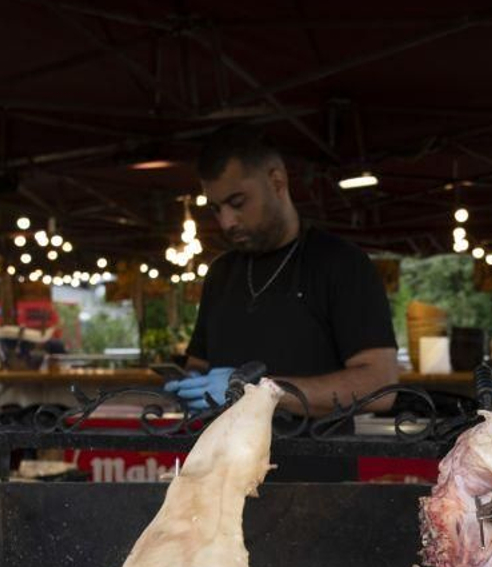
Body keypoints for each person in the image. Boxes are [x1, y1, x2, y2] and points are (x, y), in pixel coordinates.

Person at [165, 125, 399, 416]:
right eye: (215, 208)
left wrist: (259, 392)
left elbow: (380, 386)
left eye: (237, 203)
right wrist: (189, 384)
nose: (227, 222)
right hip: (223, 459)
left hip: (315, 459)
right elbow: (198, 365)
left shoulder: (342, 263)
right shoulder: (221, 273)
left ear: (277, 181)